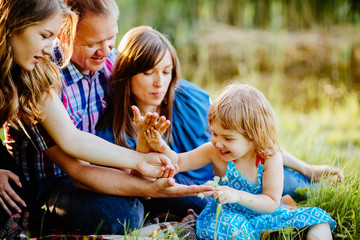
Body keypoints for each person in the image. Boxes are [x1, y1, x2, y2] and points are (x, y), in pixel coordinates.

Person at [1, 0, 214, 235]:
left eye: (111, 39)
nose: (105, 50)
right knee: (123, 215)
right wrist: (144, 179)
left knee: (197, 202)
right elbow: (77, 162)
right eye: (93, 43)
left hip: (102, 168)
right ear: (66, 34)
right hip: (52, 183)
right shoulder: (41, 76)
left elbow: (157, 78)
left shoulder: (107, 62)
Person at [96, 25, 344, 215]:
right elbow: (143, 189)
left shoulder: (188, 99)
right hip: (195, 191)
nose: (160, 82)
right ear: (127, 73)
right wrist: (145, 141)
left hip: (234, 174)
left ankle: (300, 196)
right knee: (191, 195)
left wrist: (307, 168)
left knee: (295, 184)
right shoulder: (113, 128)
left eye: (166, 71)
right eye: (148, 73)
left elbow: (252, 139)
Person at [143, 83, 336, 240]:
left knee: (318, 218)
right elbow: (179, 161)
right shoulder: (214, 151)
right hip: (228, 217)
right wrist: (161, 146)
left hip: (264, 215)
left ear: (254, 136)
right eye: (215, 133)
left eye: (228, 138)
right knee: (232, 229)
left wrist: (238, 195)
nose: (218, 142)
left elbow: (270, 202)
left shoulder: (269, 156)